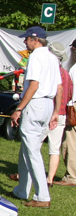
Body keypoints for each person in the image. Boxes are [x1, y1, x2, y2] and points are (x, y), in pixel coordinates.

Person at [9, 26, 60, 207]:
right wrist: (55, 111)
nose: (24, 42)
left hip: (36, 103)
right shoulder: (53, 58)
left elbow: (34, 85)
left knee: (32, 151)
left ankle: (42, 196)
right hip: (48, 104)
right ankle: (22, 189)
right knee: (27, 148)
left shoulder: (36, 57)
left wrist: (19, 109)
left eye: (26, 39)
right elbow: (59, 87)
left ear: (34, 39)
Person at [45, 41, 73, 185]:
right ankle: (50, 178)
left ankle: (27, 173)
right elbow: (69, 94)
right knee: (54, 149)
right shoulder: (67, 74)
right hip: (62, 113)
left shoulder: (50, 72)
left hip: (49, 112)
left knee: (34, 145)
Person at [59, 38, 76, 186]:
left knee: (69, 144)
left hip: (74, 107)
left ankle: (71, 176)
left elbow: (71, 92)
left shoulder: (74, 68)